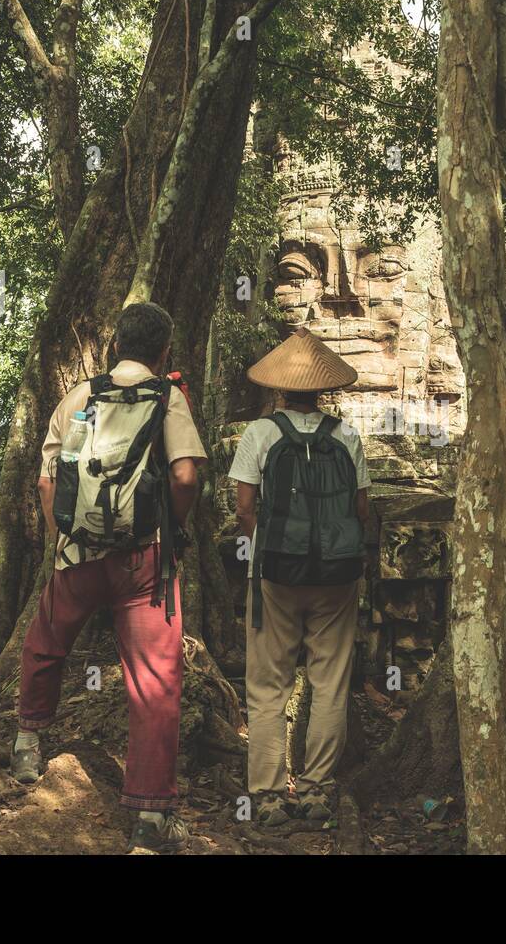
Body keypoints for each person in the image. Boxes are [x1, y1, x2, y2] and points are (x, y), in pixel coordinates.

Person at [10, 301, 206, 854]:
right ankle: (150, 815)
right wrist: (175, 526)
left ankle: (27, 745)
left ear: (115, 345)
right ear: (164, 350)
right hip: (146, 560)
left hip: (78, 555)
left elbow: (49, 483)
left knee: (46, 642)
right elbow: (186, 475)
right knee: (154, 679)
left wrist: (62, 538)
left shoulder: (78, 398)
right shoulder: (168, 397)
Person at [228, 328, 370, 825]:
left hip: (275, 577)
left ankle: (267, 797)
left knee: (268, 686)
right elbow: (360, 508)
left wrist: (273, 541)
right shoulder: (346, 435)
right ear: (323, 389)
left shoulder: (260, 433)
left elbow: (245, 508)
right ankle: (316, 790)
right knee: (330, 681)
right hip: (336, 578)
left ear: (279, 389)